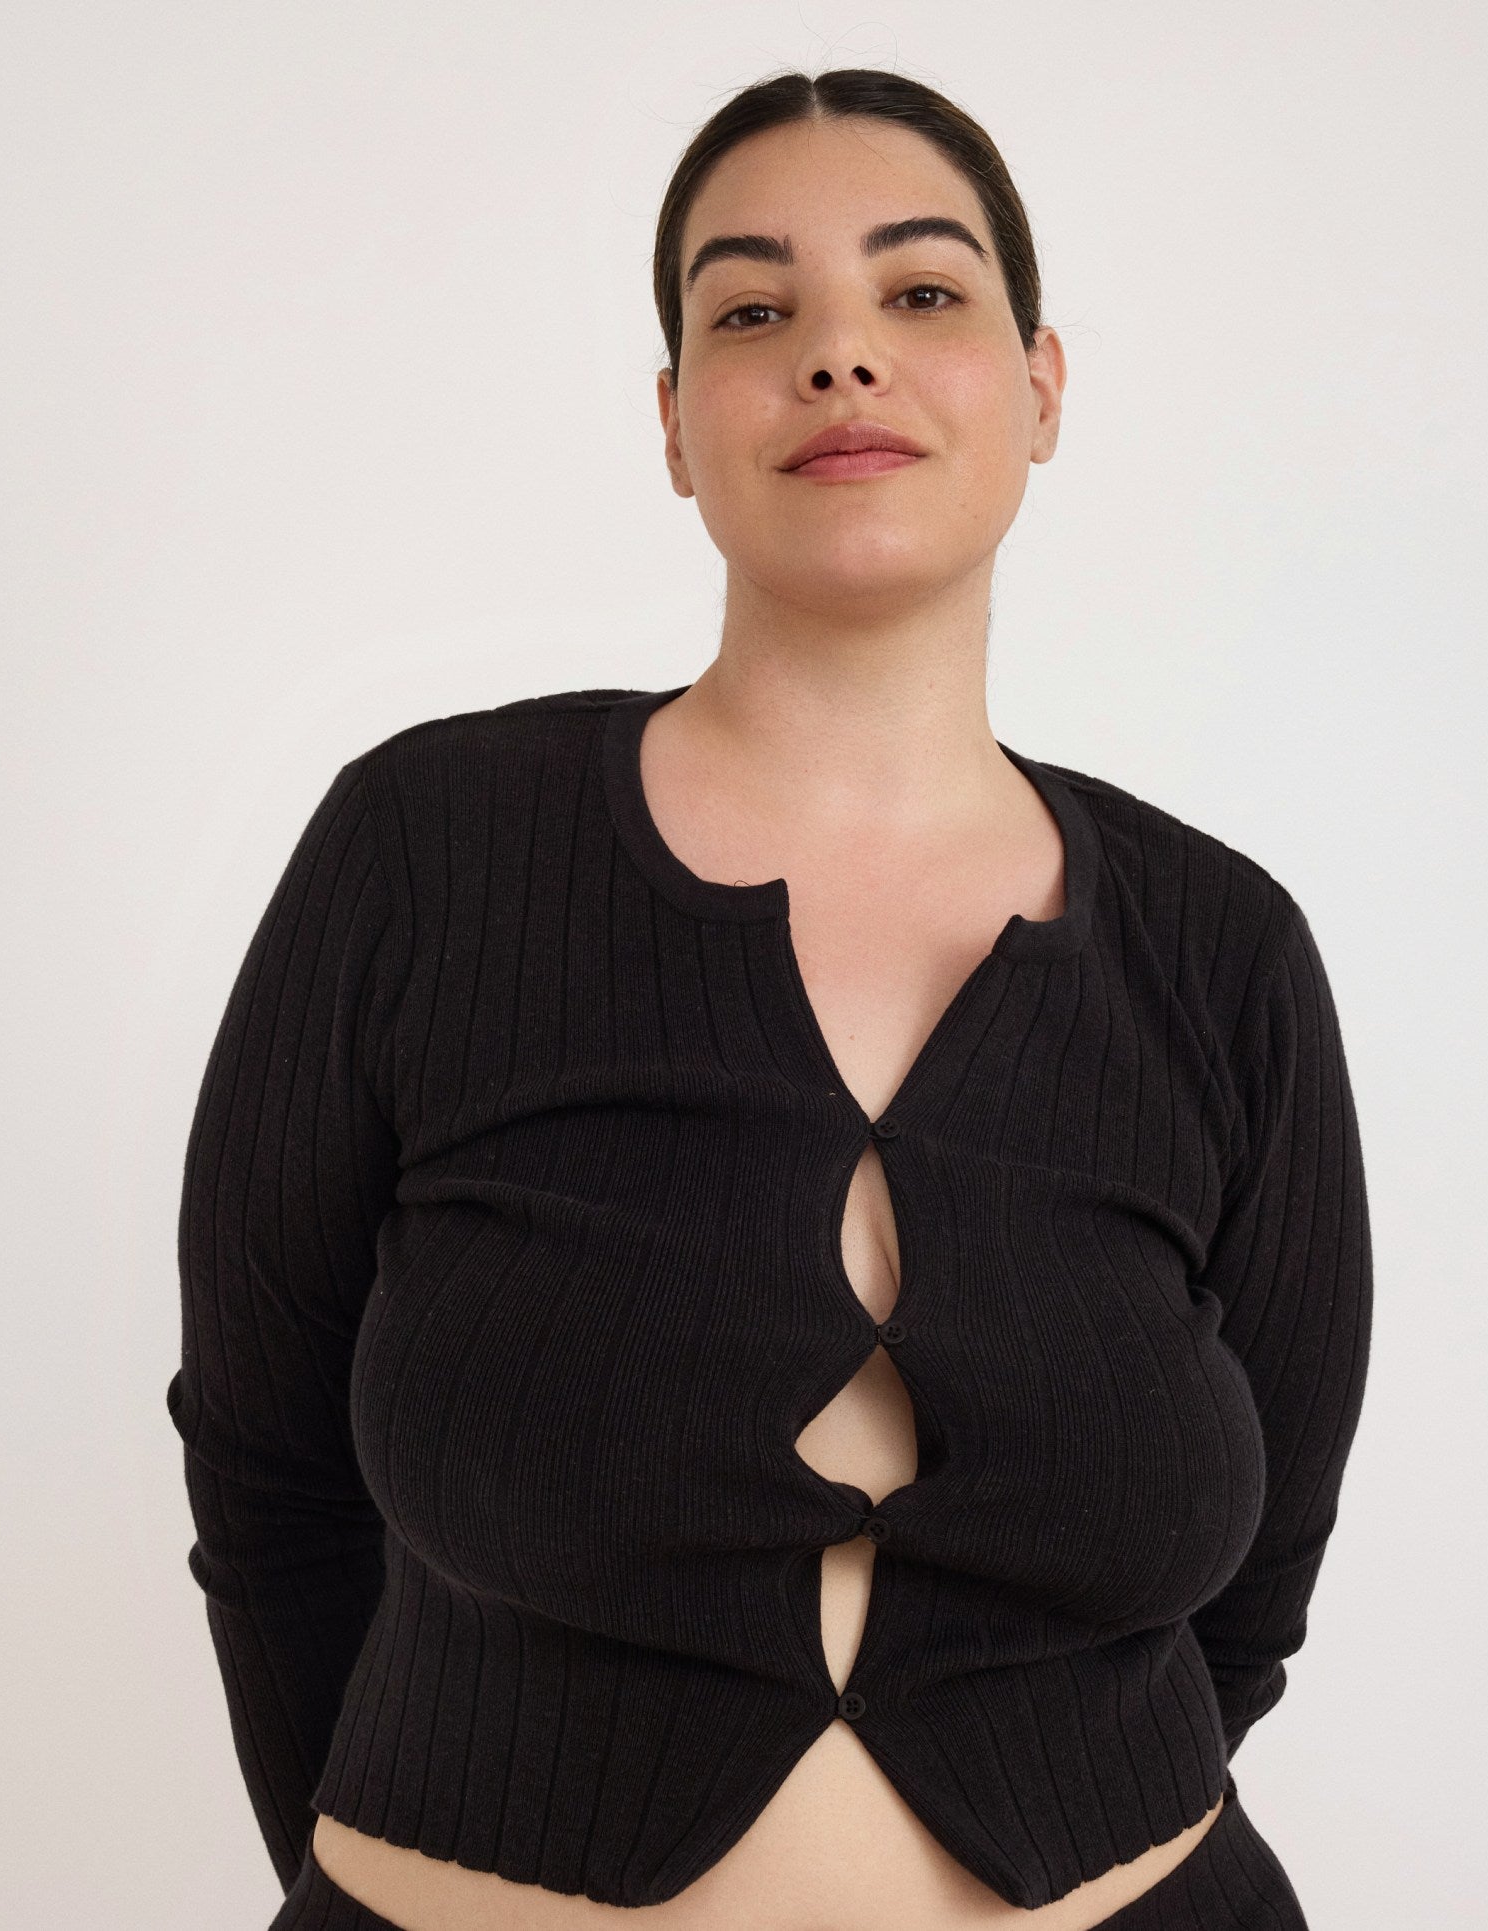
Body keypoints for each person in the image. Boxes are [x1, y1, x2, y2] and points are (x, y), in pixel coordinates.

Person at [169, 66, 1373, 1931]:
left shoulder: (1225, 954)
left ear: (1041, 388)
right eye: (752, 312)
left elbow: (1252, 1588)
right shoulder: (427, 852)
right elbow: (270, 1480)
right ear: (675, 422)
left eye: (922, 291)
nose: (839, 354)